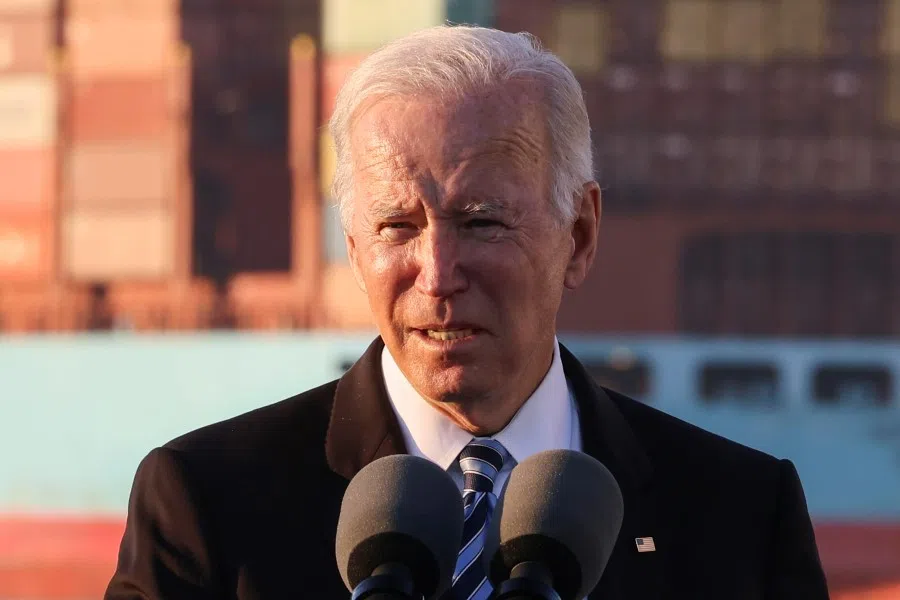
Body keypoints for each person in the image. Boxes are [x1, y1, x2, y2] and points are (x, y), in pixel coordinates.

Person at [104, 25, 829, 599]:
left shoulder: (741, 516)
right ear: (354, 251)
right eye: (397, 227)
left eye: (482, 222)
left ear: (579, 236)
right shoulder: (205, 506)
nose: (439, 275)